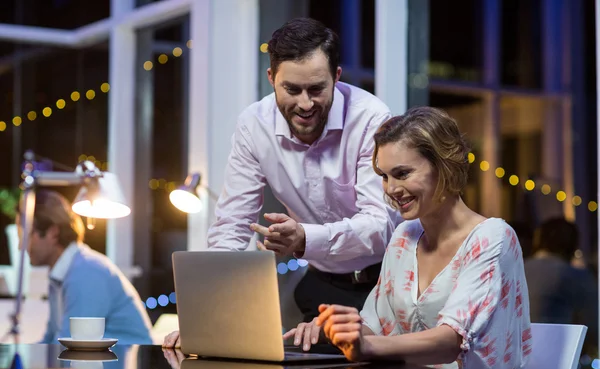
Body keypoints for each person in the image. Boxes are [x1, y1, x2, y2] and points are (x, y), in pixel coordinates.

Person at [164, 18, 399, 348]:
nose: (305, 104)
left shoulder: (371, 118)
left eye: (317, 89)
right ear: (272, 78)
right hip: (322, 287)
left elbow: (379, 227)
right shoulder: (253, 125)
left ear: (337, 77)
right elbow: (232, 226)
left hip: (387, 285)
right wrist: (204, 320)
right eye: (292, 90)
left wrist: (304, 237)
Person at [287, 107, 534, 369]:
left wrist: (365, 345)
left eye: (402, 174)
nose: (391, 189)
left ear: (444, 165)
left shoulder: (494, 238)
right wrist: (333, 330)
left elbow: (452, 341)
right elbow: (374, 323)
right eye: (384, 176)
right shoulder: (405, 235)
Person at [17, 190, 153, 344]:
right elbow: (51, 340)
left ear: (52, 233)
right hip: (98, 363)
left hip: (127, 364)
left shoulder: (86, 272)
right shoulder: (62, 274)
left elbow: (70, 345)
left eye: (25, 236)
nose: (20, 246)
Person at [524, 217, 598, 332]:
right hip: (558, 346)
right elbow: (594, 325)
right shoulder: (575, 276)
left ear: (538, 240)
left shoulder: (518, 268)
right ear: (573, 246)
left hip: (516, 346)